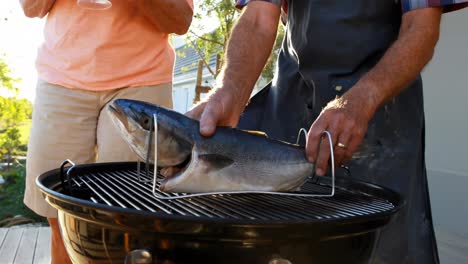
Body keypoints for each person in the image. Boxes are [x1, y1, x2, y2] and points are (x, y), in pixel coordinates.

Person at [188, 0, 468, 263]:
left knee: (383, 247)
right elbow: (258, 19)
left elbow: (420, 28)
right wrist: (230, 90)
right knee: (282, 246)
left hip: (381, 117)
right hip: (292, 103)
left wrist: (362, 99)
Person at [19, 0, 193, 263]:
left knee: (127, 217)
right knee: (58, 215)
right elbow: (31, 8)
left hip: (141, 79)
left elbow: (180, 21)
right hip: (62, 77)